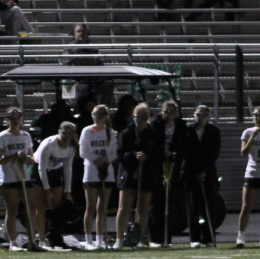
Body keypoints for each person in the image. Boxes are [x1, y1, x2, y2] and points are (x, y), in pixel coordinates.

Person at [115, 104, 162, 249]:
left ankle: (139, 239)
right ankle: (120, 239)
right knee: (124, 207)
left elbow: (159, 154)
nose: (139, 120)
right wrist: (134, 156)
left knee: (143, 207)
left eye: (142, 117)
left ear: (147, 118)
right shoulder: (126, 133)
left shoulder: (153, 134)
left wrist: (147, 157)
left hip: (146, 174)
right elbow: (120, 155)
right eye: (136, 117)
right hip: (129, 174)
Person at [0, 106, 38, 250]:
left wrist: (26, 158)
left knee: (31, 208)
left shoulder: (26, 136)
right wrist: (13, 157)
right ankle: (13, 242)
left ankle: (32, 240)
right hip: (9, 177)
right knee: (12, 210)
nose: (15, 120)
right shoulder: (2, 136)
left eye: (17, 117)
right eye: (12, 118)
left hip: (24, 177)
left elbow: (32, 158)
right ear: (7, 120)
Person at [31, 122, 77, 249]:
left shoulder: (71, 147)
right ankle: (41, 240)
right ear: (59, 132)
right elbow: (41, 168)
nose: (66, 137)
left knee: (56, 207)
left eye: (70, 134)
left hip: (55, 171)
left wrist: (68, 191)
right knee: (41, 207)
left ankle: (54, 237)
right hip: (39, 170)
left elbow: (67, 168)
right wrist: (46, 189)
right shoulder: (49, 144)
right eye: (64, 133)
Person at [148, 99, 187, 246]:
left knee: (169, 203)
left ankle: (166, 238)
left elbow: (183, 145)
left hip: (172, 167)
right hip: (157, 167)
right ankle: (154, 237)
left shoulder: (181, 126)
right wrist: (163, 156)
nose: (168, 115)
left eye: (171, 112)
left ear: (176, 113)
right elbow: (153, 145)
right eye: (165, 112)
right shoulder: (155, 125)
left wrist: (175, 155)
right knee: (156, 203)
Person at [79, 104, 117, 250]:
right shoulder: (87, 131)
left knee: (102, 207)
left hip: (106, 172)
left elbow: (114, 152)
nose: (97, 118)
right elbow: (83, 152)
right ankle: (89, 239)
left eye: (100, 115)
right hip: (91, 171)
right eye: (95, 115)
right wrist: (97, 158)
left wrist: (106, 159)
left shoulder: (110, 132)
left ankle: (100, 239)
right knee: (90, 207)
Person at [184, 104, 220, 247]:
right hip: (191, 172)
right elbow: (187, 152)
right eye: (197, 115)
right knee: (193, 207)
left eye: (203, 115)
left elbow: (214, 153)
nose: (200, 118)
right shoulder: (188, 130)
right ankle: (195, 238)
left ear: (208, 117)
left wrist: (204, 171)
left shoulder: (213, 131)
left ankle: (208, 237)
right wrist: (196, 171)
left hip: (208, 173)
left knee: (208, 207)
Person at [236, 107, 260, 248]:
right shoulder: (247, 132)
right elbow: (243, 153)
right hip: (252, 173)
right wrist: (252, 137)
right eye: (255, 115)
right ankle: (241, 236)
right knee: (246, 206)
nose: (258, 118)